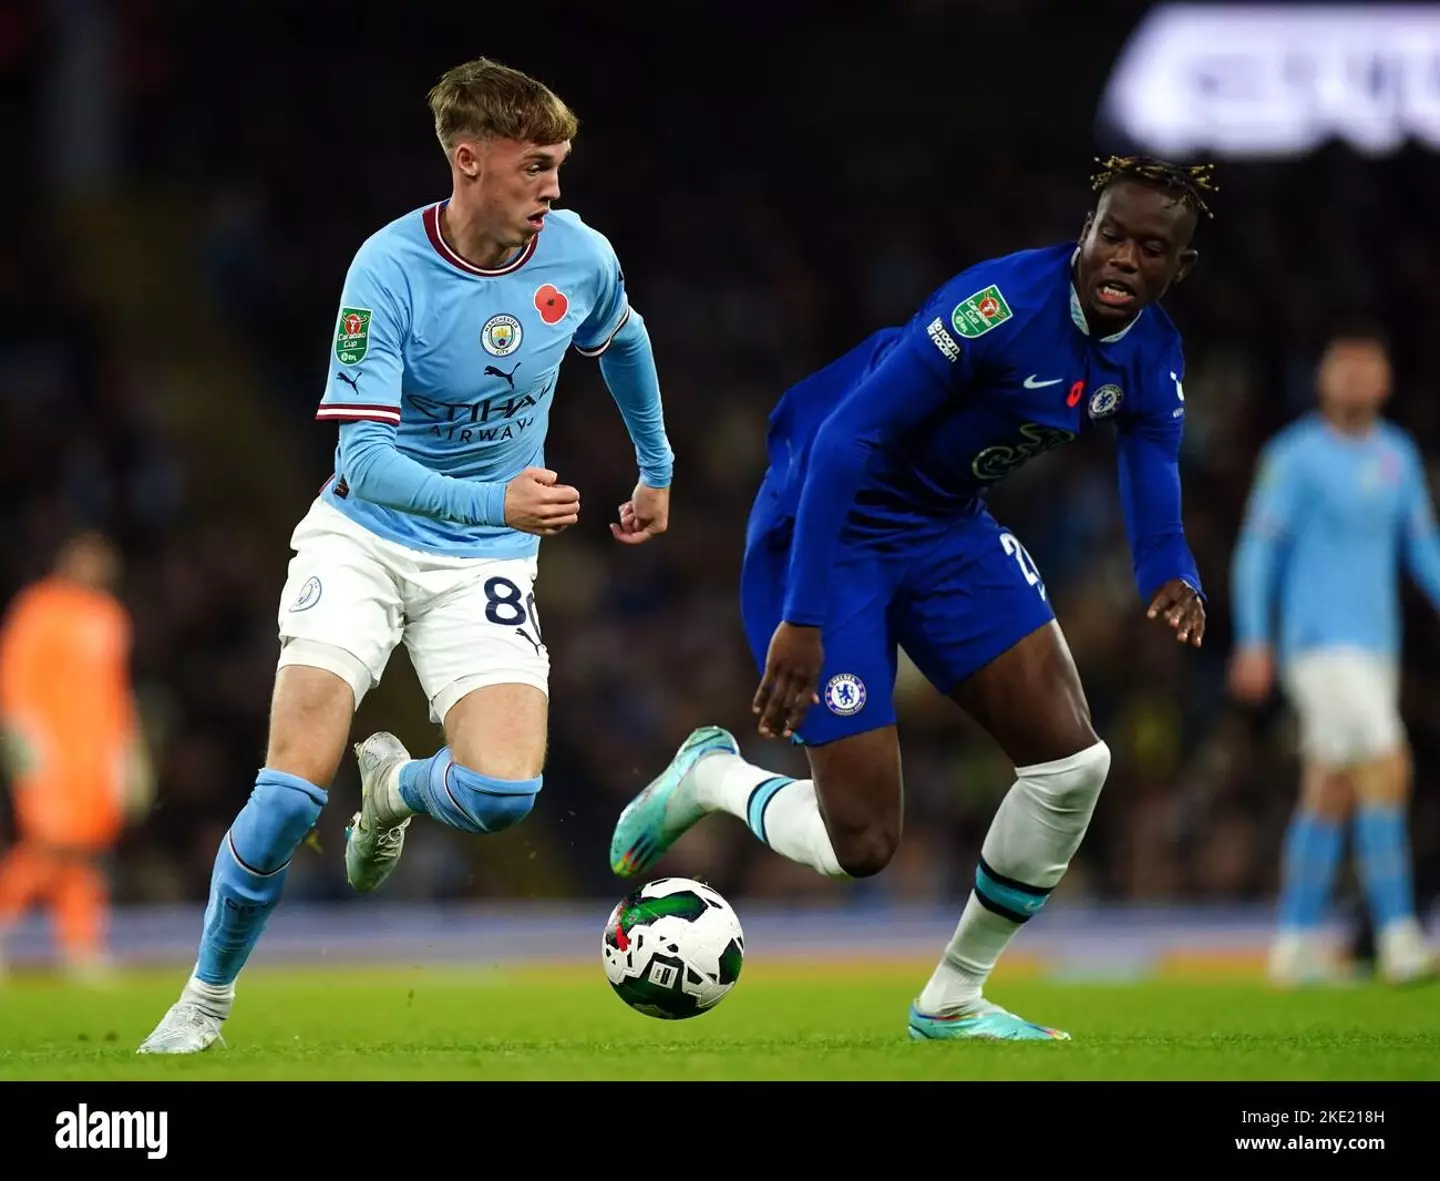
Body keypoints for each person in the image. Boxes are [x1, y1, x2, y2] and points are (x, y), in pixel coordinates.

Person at [609, 155, 1212, 1041]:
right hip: (833, 515)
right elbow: (846, 437)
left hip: (944, 525)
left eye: (1150, 248)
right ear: (1084, 230)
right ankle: (712, 776)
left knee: (1074, 766)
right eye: (1111, 235)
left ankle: (953, 998)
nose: (1124, 257)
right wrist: (803, 615)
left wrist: (1171, 570)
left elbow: (1151, 458)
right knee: (861, 845)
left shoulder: (1153, 352)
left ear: (1177, 267)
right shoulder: (998, 306)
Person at [138, 57, 673, 1052]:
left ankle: (392, 791)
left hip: (486, 560)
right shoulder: (386, 270)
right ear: (469, 160)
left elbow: (625, 338)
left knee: (504, 794)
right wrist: (495, 497)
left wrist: (657, 466)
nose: (554, 188)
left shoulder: (578, 256)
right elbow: (364, 461)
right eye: (535, 167)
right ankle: (203, 1001)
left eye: (559, 166)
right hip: (364, 541)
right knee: (288, 793)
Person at [1229, 325, 1437, 987]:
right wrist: (1253, 637)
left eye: (1366, 366)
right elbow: (1258, 551)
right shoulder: (1294, 457)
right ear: (1322, 377)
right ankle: (1399, 937)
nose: (1355, 377)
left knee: (1330, 787)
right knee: (1387, 763)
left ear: (1385, 379)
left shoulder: (1398, 456)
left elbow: (1423, 548)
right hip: (1318, 643)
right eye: (1342, 366)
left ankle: (1292, 945)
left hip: (1377, 646)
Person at [0, 530, 152, 980]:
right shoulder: (39, 609)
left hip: (95, 758)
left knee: (85, 853)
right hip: (51, 752)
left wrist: (127, 752)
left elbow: (117, 692)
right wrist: (24, 738)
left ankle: (80, 947)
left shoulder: (110, 616)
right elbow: (15, 677)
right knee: (49, 845)